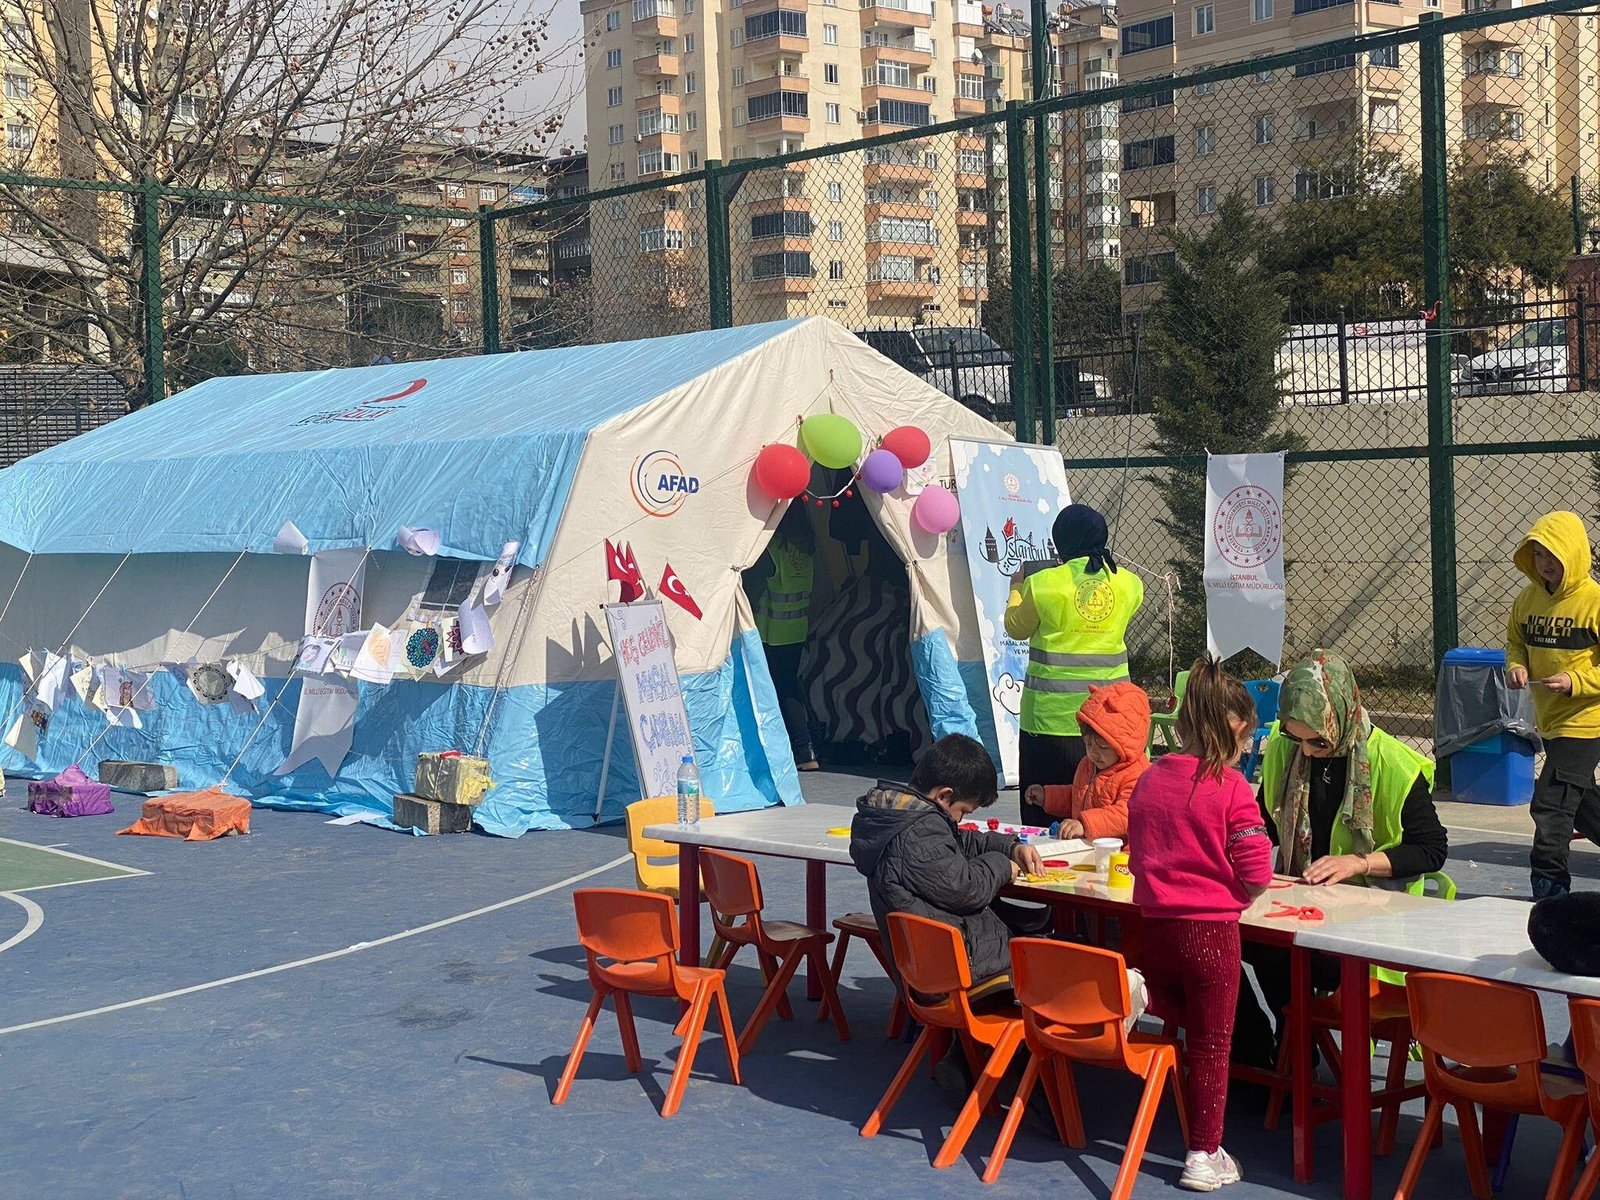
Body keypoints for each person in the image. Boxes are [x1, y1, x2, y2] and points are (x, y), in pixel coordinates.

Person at [1233, 649, 1447, 1065]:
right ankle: (1283, 1040)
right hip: (1306, 908)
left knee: (1288, 955)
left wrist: (1359, 863)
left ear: (1344, 715)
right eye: (1297, 738)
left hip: (1375, 923)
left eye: (1318, 740)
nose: (1308, 752)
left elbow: (1432, 848)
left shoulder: (1393, 762)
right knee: (1241, 939)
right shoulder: (1284, 748)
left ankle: (1295, 1044)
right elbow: (1264, 824)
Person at [1127, 657, 1273, 1192]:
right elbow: (1256, 868)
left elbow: (1137, 847)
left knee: (1175, 1003)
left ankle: (1140, 989)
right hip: (1210, 929)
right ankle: (1203, 1152)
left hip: (1155, 922)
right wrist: (1249, 886)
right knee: (1212, 1044)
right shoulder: (1231, 786)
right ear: (1236, 729)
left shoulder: (1149, 779)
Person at [849, 734, 1044, 1005]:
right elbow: (966, 888)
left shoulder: (904, 823)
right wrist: (1003, 865)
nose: (961, 819)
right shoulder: (918, 835)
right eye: (963, 811)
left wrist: (1009, 847)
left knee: (1040, 936)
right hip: (958, 973)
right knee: (1057, 955)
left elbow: (958, 842)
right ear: (944, 795)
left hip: (939, 966)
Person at [1006, 503, 1143, 827]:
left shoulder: (1044, 583)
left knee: (1041, 811)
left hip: (1048, 723)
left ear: (1060, 542)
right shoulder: (1130, 584)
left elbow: (1016, 627)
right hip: (1109, 724)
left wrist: (1016, 586)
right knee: (1102, 814)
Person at [1507, 511, 1600, 899]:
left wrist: (1577, 681)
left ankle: (1550, 886)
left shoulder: (1593, 601)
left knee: (1550, 803)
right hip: (1551, 721)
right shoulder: (1527, 599)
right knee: (1579, 804)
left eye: (1554, 555)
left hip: (1587, 720)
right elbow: (1515, 641)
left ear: (1575, 554)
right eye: (1539, 553)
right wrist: (1516, 665)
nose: (1546, 562)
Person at [1021, 680, 1150, 841]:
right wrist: (1048, 796)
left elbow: (1125, 815)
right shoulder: (1088, 765)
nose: (1093, 753)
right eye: (1088, 744)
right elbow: (1077, 796)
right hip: (1091, 846)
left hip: (1121, 855)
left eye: (1103, 747)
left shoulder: (1136, 774)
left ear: (1126, 744)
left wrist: (1085, 824)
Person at [745, 503, 820, 771]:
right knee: (790, 687)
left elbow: (752, 586)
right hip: (795, 629)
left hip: (768, 632)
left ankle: (782, 752)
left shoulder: (770, 548)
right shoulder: (805, 547)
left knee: (767, 691)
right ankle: (805, 750)